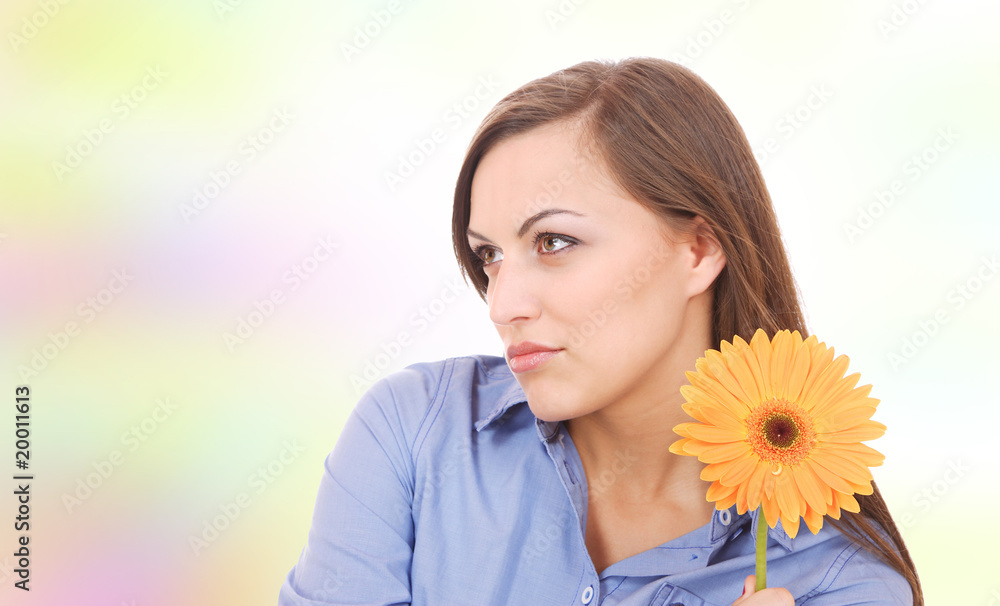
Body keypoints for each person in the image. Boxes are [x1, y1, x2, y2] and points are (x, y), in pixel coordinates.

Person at [278, 57, 922, 605]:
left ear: (698, 250)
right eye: (489, 255)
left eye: (554, 241)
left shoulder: (836, 583)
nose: (503, 303)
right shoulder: (413, 434)